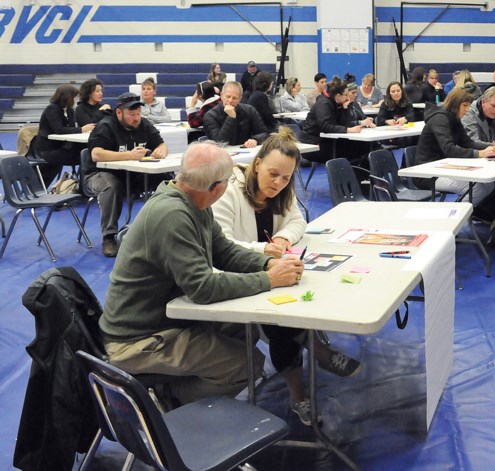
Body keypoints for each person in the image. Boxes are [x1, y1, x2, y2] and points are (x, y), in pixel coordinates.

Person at [99, 142, 305, 406]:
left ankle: (180, 390)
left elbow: (225, 252)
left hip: (162, 321)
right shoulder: (172, 215)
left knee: (246, 331)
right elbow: (203, 288)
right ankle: (163, 404)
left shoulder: (193, 201)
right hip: (138, 339)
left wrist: (266, 264)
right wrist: (269, 280)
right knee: (247, 365)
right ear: (216, 188)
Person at [211, 129, 360, 425]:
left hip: (271, 266)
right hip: (237, 274)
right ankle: (300, 390)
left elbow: (297, 220)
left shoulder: (282, 191)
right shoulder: (229, 191)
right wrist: (264, 249)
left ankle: (317, 355)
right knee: (279, 320)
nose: (278, 183)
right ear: (256, 164)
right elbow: (221, 244)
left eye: (286, 177)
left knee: (299, 299)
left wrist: (281, 239)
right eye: (273, 174)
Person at [86, 93, 170, 257]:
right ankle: (109, 237)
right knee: (111, 185)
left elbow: (161, 143)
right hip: (99, 174)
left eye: (138, 114)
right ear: (119, 113)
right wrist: (129, 155)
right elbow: (96, 154)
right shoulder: (105, 126)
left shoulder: (144, 124)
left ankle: (164, 228)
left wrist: (161, 149)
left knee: (166, 179)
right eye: (132, 115)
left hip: (131, 174)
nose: (136, 118)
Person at [412, 88, 495, 222]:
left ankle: (469, 215)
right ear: (455, 104)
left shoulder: (454, 118)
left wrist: (493, 147)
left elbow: (467, 142)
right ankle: (451, 222)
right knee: (477, 188)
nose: (467, 109)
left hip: (443, 168)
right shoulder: (440, 119)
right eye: (464, 105)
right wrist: (480, 154)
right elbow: (449, 149)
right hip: (427, 174)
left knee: (488, 185)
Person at [33, 84, 96, 184]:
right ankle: (83, 186)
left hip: (62, 146)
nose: (76, 99)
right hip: (48, 149)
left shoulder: (70, 110)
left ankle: (84, 186)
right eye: (74, 97)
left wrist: (79, 130)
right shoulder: (52, 109)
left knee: (87, 153)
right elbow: (59, 130)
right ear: (67, 97)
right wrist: (81, 129)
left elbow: (70, 128)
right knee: (85, 157)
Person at [300, 78, 370, 164]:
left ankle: (361, 175)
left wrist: (345, 108)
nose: (347, 97)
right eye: (345, 94)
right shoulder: (323, 103)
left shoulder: (338, 103)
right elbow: (325, 126)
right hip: (314, 143)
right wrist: (348, 130)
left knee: (366, 145)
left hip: (329, 140)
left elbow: (344, 124)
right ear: (338, 96)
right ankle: (352, 174)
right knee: (357, 149)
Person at [203, 81, 269, 147]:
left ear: (240, 99)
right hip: (222, 154)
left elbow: (264, 133)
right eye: (228, 97)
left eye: (234, 98)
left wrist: (256, 139)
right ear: (222, 95)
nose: (230, 100)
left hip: (246, 151)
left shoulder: (249, 110)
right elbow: (219, 142)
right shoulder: (210, 115)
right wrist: (231, 117)